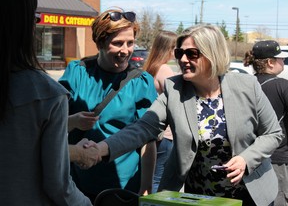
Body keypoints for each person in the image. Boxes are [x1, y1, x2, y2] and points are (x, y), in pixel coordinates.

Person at [93, 24, 284, 206]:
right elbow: (142, 128)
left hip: (249, 194)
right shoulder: (174, 89)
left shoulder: (247, 86)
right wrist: (101, 149)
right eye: (179, 53)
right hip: (200, 196)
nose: (183, 59)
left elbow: (273, 133)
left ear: (212, 54)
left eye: (192, 53)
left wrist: (246, 159)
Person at [0, 0, 92, 205]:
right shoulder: (47, 93)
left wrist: (70, 123)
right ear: (25, 27)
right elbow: (58, 186)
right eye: (35, 18)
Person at [58, 8, 157, 202]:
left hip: (122, 187)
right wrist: (74, 121)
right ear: (100, 42)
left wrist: (146, 185)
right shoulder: (77, 72)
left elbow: (148, 138)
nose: (126, 50)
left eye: (130, 43)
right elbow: (52, 123)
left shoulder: (141, 82)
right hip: (75, 183)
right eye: (117, 43)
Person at [243, 40, 288, 206]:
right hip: (277, 158)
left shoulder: (246, 85)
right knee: (278, 200)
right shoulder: (283, 86)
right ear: (270, 62)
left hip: (248, 156)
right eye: (281, 59)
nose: (283, 61)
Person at [142, 30, 177, 193]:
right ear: (168, 48)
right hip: (165, 135)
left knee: (149, 179)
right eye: (175, 48)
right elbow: (176, 101)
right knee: (159, 180)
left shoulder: (149, 67)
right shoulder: (165, 70)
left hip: (151, 132)